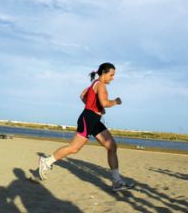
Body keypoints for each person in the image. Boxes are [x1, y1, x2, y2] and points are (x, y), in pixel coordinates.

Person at [38, 63, 134, 192]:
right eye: (111, 75)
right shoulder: (100, 85)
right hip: (88, 119)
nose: (113, 78)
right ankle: (46, 161)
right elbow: (105, 102)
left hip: (94, 119)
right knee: (74, 148)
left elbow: (82, 96)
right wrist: (116, 102)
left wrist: (96, 109)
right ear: (104, 73)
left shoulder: (94, 83)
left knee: (112, 146)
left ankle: (116, 182)